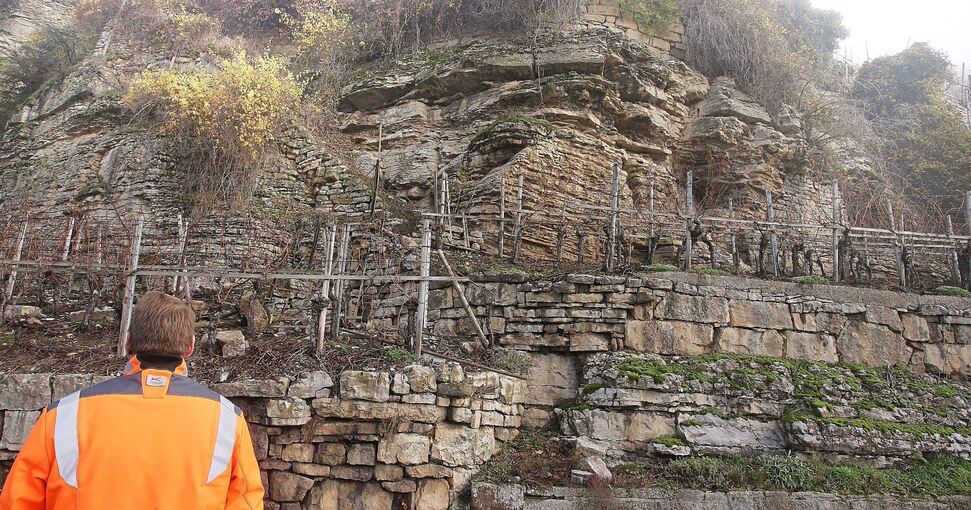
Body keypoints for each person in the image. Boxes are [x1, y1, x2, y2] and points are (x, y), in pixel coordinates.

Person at [0, 291, 264, 509]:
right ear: (191, 346)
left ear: (128, 342)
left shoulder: (62, 416)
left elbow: (17, 502)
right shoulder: (228, 420)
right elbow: (247, 502)